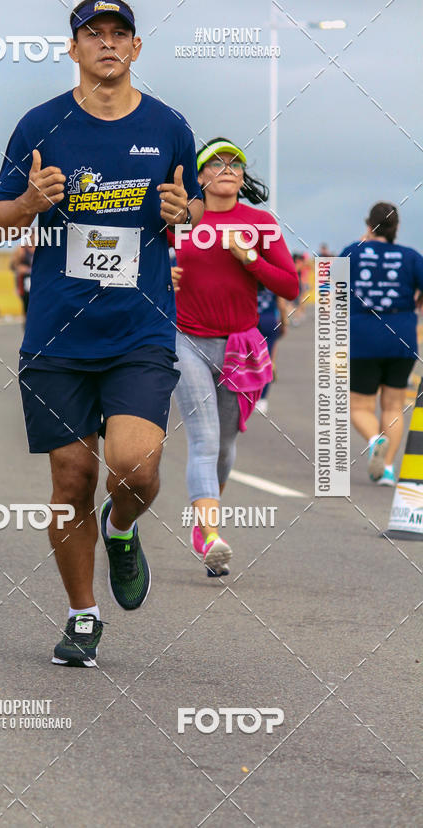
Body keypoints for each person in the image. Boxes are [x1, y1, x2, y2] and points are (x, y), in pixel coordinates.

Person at [0, 0, 204, 667]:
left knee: (135, 468)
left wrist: (183, 209)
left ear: (136, 48)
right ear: (73, 47)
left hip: (138, 325)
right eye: (94, 34)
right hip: (57, 331)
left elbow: (190, 204)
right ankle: (83, 615)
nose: (107, 43)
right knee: (71, 476)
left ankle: (122, 527)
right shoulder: (40, 126)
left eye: (119, 34)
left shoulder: (170, 125)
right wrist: (30, 202)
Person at [171, 138, 299, 576]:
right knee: (204, 440)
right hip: (186, 341)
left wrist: (251, 261)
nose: (228, 168)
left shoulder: (260, 223)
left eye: (236, 163)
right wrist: (160, 279)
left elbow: (290, 287)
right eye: (217, 163)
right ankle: (211, 536)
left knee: (225, 447)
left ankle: (202, 524)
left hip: (239, 347)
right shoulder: (182, 221)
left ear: (242, 176)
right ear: (200, 175)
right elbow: (142, 267)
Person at [341, 202, 423, 486]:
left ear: (368, 224)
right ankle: (386, 469)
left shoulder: (352, 251)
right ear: (396, 228)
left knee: (360, 406)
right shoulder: (411, 257)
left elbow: (332, 294)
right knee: (394, 406)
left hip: (363, 335)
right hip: (401, 336)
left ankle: (375, 440)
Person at [255, 284, 289, 416]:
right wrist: (284, 323)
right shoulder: (272, 279)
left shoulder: (248, 275)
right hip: (269, 320)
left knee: (246, 359)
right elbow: (281, 305)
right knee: (267, 360)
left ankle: (246, 394)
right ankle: (262, 399)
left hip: (250, 320)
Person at [10, 241, 35, 322]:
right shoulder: (22, 249)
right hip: (25, 281)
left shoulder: (43, 248)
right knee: (27, 306)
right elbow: (13, 266)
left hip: (38, 280)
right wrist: (19, 266)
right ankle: (28, 327)